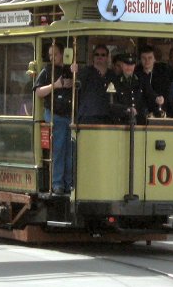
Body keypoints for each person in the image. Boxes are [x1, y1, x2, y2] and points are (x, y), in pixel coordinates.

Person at [33, 43, 74, 195]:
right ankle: (57, 183)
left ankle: (69, 183)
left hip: (70, 116)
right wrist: (55, 85)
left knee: (70, 152)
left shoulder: (70, 70)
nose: (52, 58)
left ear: (64, 53)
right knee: (58, 150)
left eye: (54, 54)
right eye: (50, 55)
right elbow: (38, 92)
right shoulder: (47, 70)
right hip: (55, 115)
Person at [109, 53, 157, 124]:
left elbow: (150, 94)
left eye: (131, 65)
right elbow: (111, 104)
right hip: (122, 122)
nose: (129, 67)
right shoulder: (114, 82)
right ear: (122, 65)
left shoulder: (141, 80)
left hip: (140, 122)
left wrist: (157, 98)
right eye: (126, 65)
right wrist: (127, 109)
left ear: (134, 66)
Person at [75, 44, 113, 124]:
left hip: (107, 117)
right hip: (87, 116)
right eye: (97, 54)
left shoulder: (112, 75)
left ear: (107, 57)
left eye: (103, 55)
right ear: (93, 57)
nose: (100, 57)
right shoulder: (84, 72)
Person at [135, 45, 172, 118]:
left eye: (150, 58)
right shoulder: (135, 74)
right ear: (140, 60)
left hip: (158, 116)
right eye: (144, 58)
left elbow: (167, 95)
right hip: (140, 116)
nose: (147, 61)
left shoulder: (162, 75)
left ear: (155, 59)